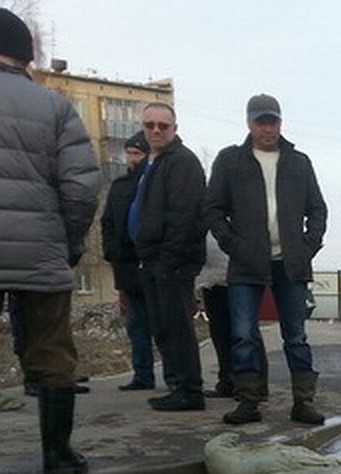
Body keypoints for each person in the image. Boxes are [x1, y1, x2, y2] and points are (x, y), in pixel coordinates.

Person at [0, 8, 100, 474]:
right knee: (52, 355)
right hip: (39, 252)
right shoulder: (54, 107)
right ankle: (58, 456)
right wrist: (67, 244)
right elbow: (81, 188)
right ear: (25, 57)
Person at [205, 93, 328, 426]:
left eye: (272, 120)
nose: (267, 127)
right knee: (243, 334)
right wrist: (234, 245)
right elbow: (213, 208)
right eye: (261, 121)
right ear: (249, 123)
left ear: (280, 123)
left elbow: (317, 208)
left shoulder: (298, 162)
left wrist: (307, 247)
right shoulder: (231, 160)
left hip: (291, 263)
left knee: (296, 336)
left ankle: (303, 402)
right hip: (246, 263)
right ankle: (248, 401)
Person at [130, 101, 207, 411]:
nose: (156, 131)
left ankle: (189, 390)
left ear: (174, 128)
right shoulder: (155, 162)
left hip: (171, 261)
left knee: (176, 326)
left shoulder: (181, 162)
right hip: (152, 258)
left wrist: (167, 262)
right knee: (162, 325)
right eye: (150, 125)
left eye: (163, 126)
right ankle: (178, 385)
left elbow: (184, 216)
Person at [101, 131, 162, 391]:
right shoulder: (120, 186)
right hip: (126, 266)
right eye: (129, 153)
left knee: (161, 324)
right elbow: (108, 223)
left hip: (151, 263)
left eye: (137, 153)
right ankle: (142, 375)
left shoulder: (154, 182)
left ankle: (175, 375)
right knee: (136, 324)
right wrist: (111, 252)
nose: (131, 158)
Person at [197, 232, 269, 400]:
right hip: (212, 276)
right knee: (220, 332)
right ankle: (228, 381)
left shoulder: (240, 207)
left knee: (245, 331)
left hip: (237, 273)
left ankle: (256, 385)